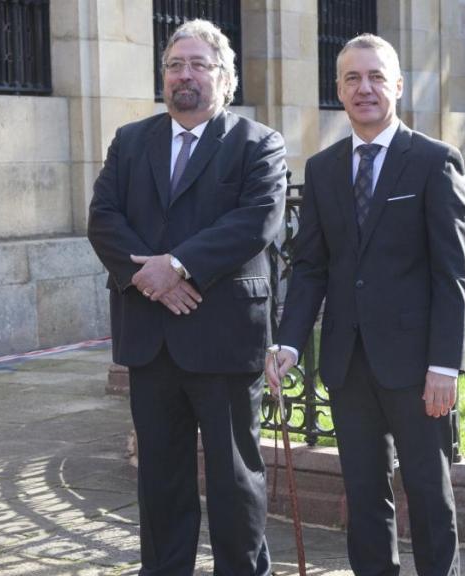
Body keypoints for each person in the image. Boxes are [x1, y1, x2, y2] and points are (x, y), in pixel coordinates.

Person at [265, 34, 465, 576]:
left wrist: (445, 365)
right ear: (338, 89)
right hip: (348, 363)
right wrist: (288, 341)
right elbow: (310, 266)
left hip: (418, 369)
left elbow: (453, 274)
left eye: (376, 76)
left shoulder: (433, 162)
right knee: (363, 496)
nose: (365, 88)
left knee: (429, 495)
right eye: (353, 79)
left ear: (398, 86)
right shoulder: (325, 168)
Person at [87, 19, 286, 576]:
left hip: (223, 338)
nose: (185, 76)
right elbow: (103, 220)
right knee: (160, 479)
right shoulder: (131, 142)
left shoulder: (257, 143)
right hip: (150, 340)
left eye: (199, 65)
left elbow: (256, 222)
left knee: (233, 479)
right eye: (176, 65)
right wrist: (152, 279)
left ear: (225, 78)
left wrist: (175, 266)